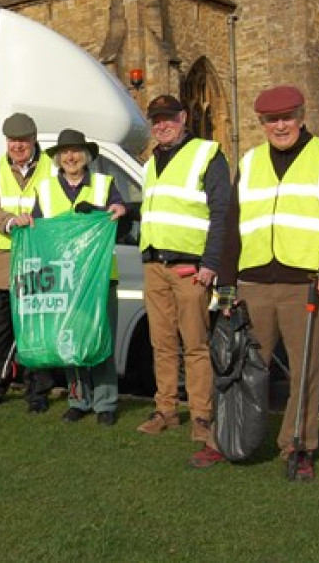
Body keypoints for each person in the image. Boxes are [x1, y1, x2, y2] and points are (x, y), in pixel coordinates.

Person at [189, 85, 319, 478]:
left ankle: (297, 446)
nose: (281, 125)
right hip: (252, 286)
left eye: (288, 117)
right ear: (262, 124)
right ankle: (224, 440)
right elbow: (233, 230)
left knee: (305, 372)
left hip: (307, 284)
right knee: (238, 366)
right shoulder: (250, 163)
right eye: (272, 120)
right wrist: (226, 284)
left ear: (302, 117)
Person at [136, 94, 230, 443]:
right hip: (154, 265)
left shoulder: (207, 154)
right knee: (161, 344)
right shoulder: (149, 165)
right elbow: (157, 211)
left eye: (168, 118)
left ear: (183, 117)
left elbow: (222, 212)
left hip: (189, 269)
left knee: (195, 345)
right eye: (156, 119)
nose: (161, 125)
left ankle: (202, 416)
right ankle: (166, 410)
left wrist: (210, 264)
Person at [30, 129, 125, 425]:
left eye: (76, 151)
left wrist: (119, 210)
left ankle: (105, 402)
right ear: (58, 158)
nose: (71, 157)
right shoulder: (45, 190)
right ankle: (78, 399)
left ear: (86, 156)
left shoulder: (104, 185)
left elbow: (120, 222)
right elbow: (38, 232)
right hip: (64, 278)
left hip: (99, 277)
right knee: (70, 339)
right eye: (65, 152)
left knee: (101, 338)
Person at [0, 112, 53, 412]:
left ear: (34, 140)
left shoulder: (50, 168)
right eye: (13, 141)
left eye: (23, 141)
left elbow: (57, 205)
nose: (18, 146)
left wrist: (36, 223)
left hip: (38, 258)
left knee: (34, 329)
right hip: (0, 259)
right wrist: (10, 221)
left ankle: (37, 391)